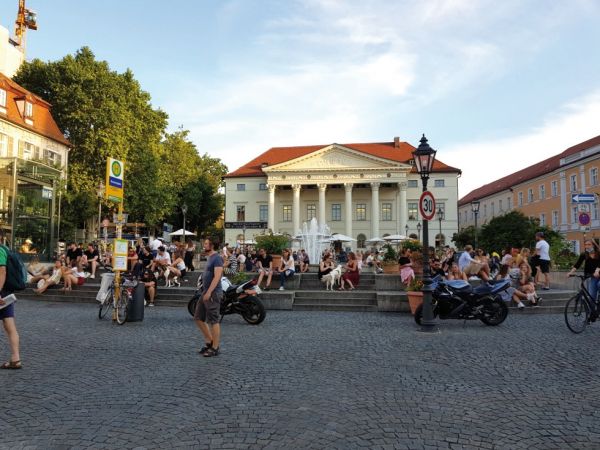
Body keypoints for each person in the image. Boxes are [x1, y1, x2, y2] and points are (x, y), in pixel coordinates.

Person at [194, 238, 223, 358]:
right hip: (206, 291)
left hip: (213, 293)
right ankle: (209, 340)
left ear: (212, 245)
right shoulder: (210, 257)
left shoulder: (217, 258)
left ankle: (215, 347)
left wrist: (209, 292)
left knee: (213, 320)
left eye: (206, 243)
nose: (204, 245)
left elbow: (217, 277)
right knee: (198, 317)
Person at [0, 238, 21, 369]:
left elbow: (2, 271)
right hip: (5, 292)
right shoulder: (5, 249)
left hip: (1, 292)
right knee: (9, 325)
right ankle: (15, 359)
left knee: (10, 326)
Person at [567, 239, 600, 319]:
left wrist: (597, 270)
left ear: (594, 245)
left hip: (598, 274)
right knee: (592, 296)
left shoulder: (599, 253)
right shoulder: (584, 254)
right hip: (592, 277)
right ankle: (592, 314)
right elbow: (577, 265)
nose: (587, 246)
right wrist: (571, 272)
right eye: (585, 245)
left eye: (589, 244)